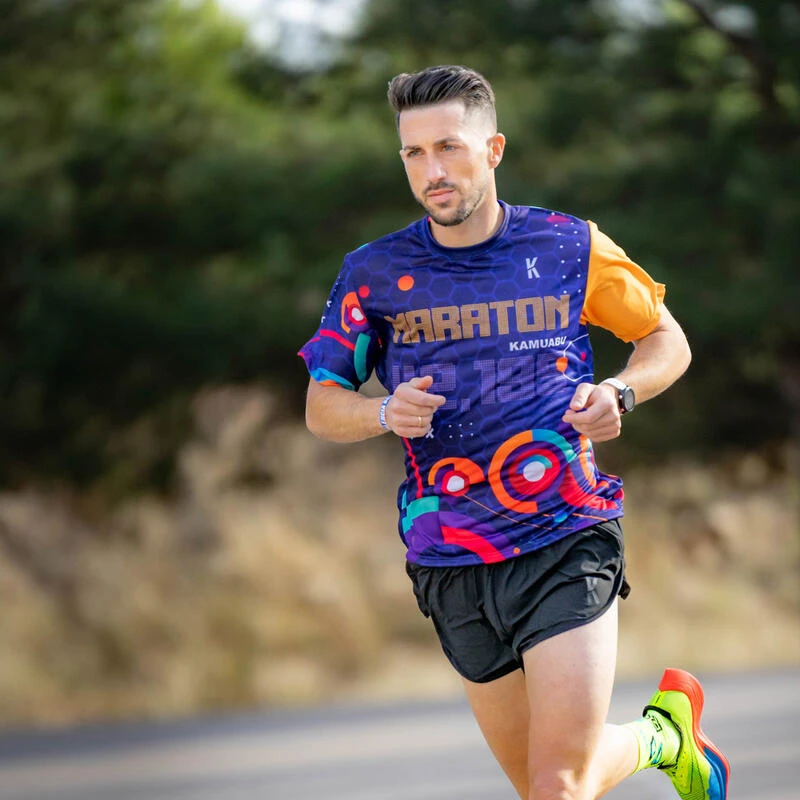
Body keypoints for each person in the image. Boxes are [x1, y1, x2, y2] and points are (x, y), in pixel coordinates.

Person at [299, 64, 729, 800]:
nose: (433, 171)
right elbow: (320, 403)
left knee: (559, 784)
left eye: (450, 147)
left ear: (493, 149)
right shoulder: (372, 274)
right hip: (451, 557)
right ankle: (663, 737)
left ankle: (658, 737)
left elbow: (668, 341)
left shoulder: (569, 247)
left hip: (566, 534)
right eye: (414, 154)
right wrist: (381, 411)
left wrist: (619, 393)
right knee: (548, 788)